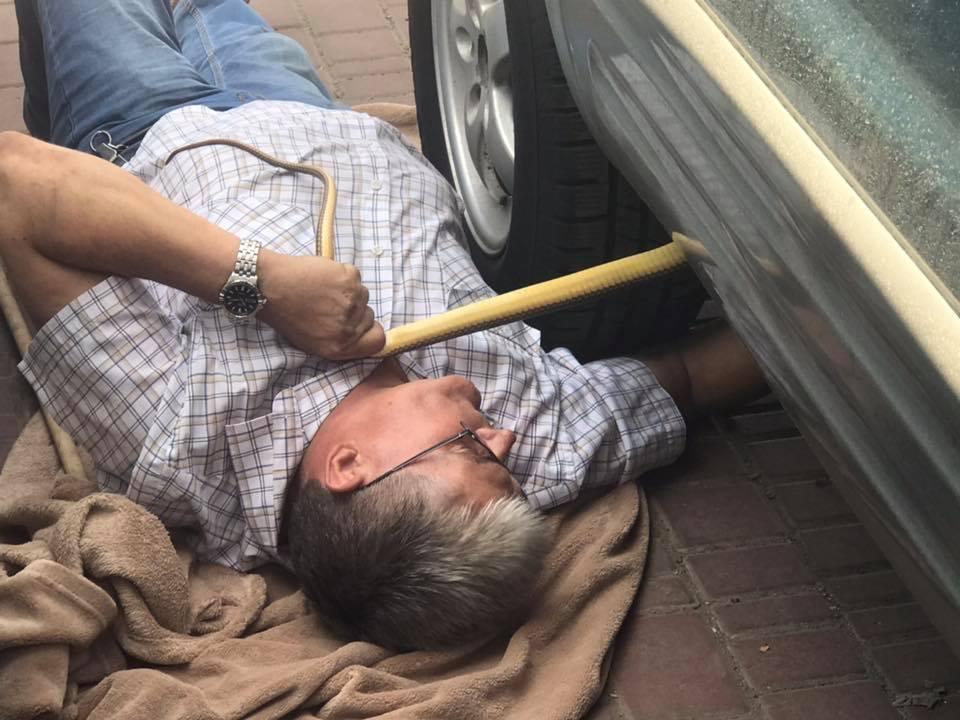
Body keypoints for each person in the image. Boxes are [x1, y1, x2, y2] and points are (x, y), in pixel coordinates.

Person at [0, 0, 765, 650]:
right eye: (510, 470)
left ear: (348, 465)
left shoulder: (175, 449)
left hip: (141, 129)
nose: (504, 439)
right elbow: (693, 377)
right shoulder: (531, 451)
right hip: (304, 107)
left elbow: (17, 184)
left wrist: (262, 287)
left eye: (472, 447)